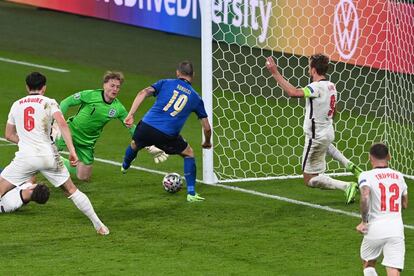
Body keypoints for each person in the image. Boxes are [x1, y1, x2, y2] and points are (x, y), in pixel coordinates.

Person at [0, 72, 109, 235]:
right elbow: (63, 125)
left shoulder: (16, 105)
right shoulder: (49, 102)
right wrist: (72, 151)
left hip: (26, 158)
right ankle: (99, 225)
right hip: (49, 156)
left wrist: (25, 142)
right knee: (72, 190)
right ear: (44, 88)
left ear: (27, 87)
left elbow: (8, 134)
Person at [265, 54, 362, 204]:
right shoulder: (331, 86)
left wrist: (274, 72)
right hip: (328, 132)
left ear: (313, 70)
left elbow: (293, 93)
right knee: (326, 145)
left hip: (315, 137)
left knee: (309, 178)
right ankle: (348, 164)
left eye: (309, 66)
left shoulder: (315, 87)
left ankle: (346, 186)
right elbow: (334, 110)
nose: (308, 69)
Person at [121, 61, 212, 202]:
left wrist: (131, 113)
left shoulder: (165, 82)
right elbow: (206, 127)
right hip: (167, 135)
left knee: (134, 144)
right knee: (188, 153)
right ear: (193, 75)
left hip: (146, 126)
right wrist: (207, 142)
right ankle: (191, 193)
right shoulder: (196, 98)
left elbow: (143, 92)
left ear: (177, 73)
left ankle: (125, 165)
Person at [55, 71, 168, 181]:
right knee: (49, 154)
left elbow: (130, 127)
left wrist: (149, 146)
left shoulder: (118, 108)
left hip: (87, 142)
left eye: (118, 87)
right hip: (70, 131)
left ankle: (60, 161)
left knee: (83, 177)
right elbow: (65, 102)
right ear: (104, 85)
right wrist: (58, 123)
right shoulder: (90, 95)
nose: (115, 89)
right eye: (112, 85)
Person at [356, 143, 408, 276]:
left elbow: (365, 195)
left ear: (370, 158)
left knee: (368, 263)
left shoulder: (365, 175)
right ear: (389, 156)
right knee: (393, 270)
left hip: (375, 228)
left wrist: (363, 221)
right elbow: (405, 204)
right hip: (396, 229)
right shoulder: (399, 176)